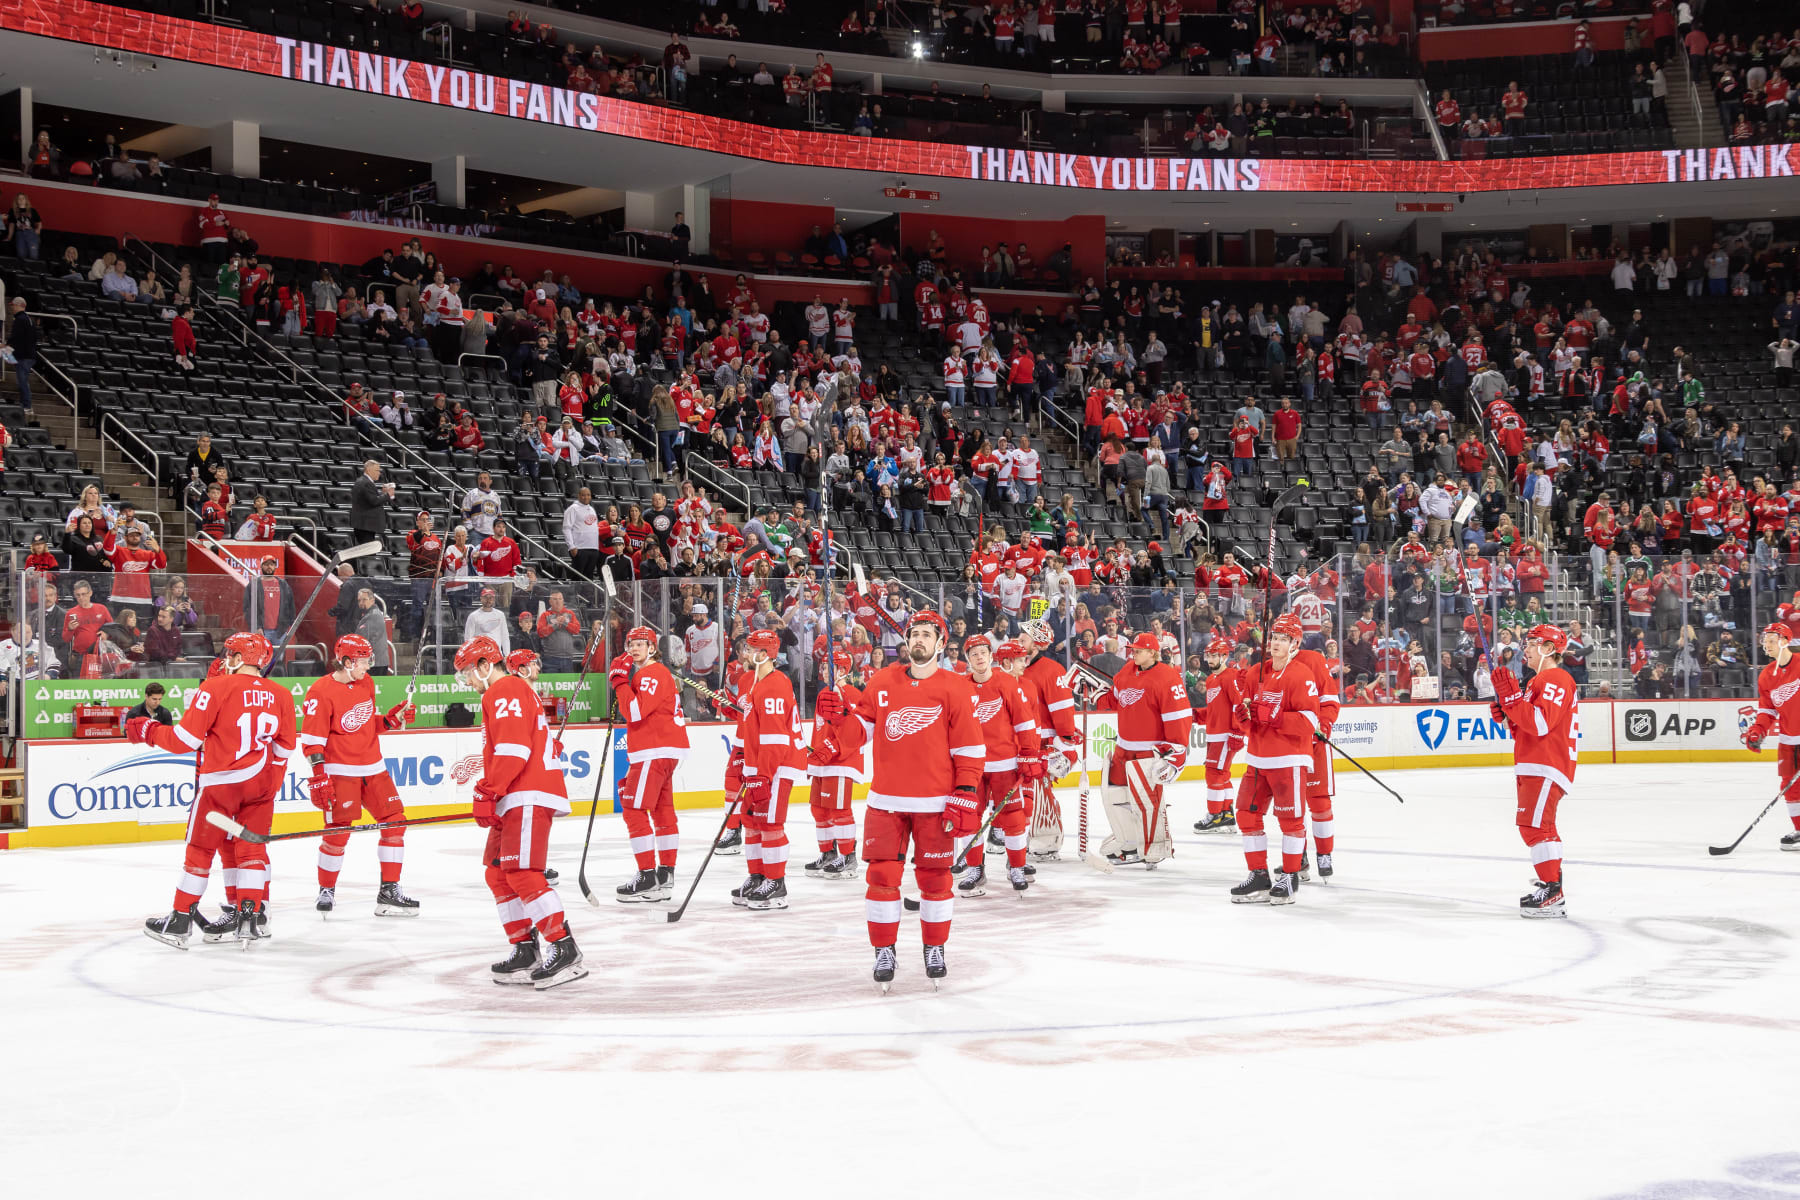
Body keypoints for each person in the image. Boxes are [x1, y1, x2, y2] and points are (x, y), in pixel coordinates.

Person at [824, 610, 983, 989]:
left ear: (941, 644)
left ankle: (934, 947)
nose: (919, 641)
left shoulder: (956, 687)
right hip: (886, 800)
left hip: (935, 801)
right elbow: (857, 733)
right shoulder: (882, 681)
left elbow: (970, 747)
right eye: (914, 634)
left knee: (935, 879)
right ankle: (884, 949)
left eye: (927, 635)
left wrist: (965, 791)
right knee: (881, 877)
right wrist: (836, 718)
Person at [136, 633, 296, 948]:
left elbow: (185, 740)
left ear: (237, 658)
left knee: (200, 851)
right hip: (260, 784)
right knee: (251, 851)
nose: (225, 660)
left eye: (228, 655)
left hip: (221, 784)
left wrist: (148, 730)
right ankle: (250, 916)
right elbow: (284, 749)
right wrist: (269, 789)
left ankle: (180, 921)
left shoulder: (215, 687)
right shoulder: (281, 694)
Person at [455, 635, 586, 988]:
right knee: (498, 874)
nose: (467, 681)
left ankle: (563, 946)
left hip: (527, 791)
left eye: (468, 672)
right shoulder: (505, 692)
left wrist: (488, 789)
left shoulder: (504, 689)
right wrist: (495, 794)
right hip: (513, 793)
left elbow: (513, 749)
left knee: (523, 872)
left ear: (485, 665)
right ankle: (525, 949)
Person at [300, 634, 418, 917]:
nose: (368, 666)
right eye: (364, 661)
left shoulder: (366, 682)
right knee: (337, 834)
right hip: (340, 771)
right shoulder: (320, 691)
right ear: (346, 661)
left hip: (373, 768)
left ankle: (389, 891)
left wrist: (390, 720)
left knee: (395, 822)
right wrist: (319, 776)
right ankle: (326, 889)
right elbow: (313, 739)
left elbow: (364, 724)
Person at [1228, 613, 1321, 906]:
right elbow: (1249, 718)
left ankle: (1290, 876)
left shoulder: (1301, 674)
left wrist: (1276, 717)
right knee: (1245, 813)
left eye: (1283, 639)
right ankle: (1258, 875)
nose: (1276, 643)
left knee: (1290, 820)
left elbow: (1310, 721)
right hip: (1257, 758)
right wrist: (1243, 718)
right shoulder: (1257, 672)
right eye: (1274, 638)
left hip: (1288, 759)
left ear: (1295, 643)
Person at [1489, 624, 1578, 918]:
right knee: (1540, 827)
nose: (1525, 649)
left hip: (1546, 763)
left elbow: (1541, 724)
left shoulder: (1556, 677)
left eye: (1532, 643)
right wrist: (1509, 715)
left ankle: (1552, 892)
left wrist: (1513, 701)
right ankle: (1552, 888)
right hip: (1537, 762)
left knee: (1535, 827)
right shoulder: (1538, 681)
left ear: (1549, 649)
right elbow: (1526, 730)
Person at [1086, 632, 1192, 867]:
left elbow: (1180, 718)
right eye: (1133, 649)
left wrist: (1176, 755)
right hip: (1123, 750)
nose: (1133, 653)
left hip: (1148, 753)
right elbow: (1115, 698)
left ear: (1152, 653)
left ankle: (1154, 847)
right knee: (1115, 798)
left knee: (1147, 802)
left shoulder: (1168, 677)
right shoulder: (1126, 671)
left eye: (1138, 650)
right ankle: (1130, 842)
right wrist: (1097, 695)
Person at [722, 628, 808, 910]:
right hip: (759, 766)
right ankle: (758, 875)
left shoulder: (774, 684)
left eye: (750, 648)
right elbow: (754, 727)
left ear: (763, 654)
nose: (745, 652)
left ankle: (776, 882)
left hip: (778, 766)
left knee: (770, 823)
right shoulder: (757, 682)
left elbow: (775, 738)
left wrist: (763, 775)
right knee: (752, 821)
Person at [606, 625, 689, 902]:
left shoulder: (651, 673)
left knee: (632, 809)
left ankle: (647, 876)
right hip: (666, 749)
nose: (633, 648)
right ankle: (665, 875)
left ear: (652, 648)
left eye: (640, 644)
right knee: (663, 812)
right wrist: (626, 682)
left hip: (653, 749)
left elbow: (634, 712)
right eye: (630, 643)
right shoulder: (649, 674)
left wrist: (619, 683)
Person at [956, 637, 1042, 895]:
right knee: (967, 819)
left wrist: (1028, 753)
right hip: (971, 767)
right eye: (974, 654)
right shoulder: (959, 687)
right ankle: (975, 868)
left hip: (1005, 764)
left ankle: (1017, 866)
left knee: (1014, 819)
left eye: (983, 652)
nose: (979, 658)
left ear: (990, 655)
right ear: (968, 659)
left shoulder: (1006, 683)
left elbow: (1024, 722)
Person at [1019, 619, 1082, 859]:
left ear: (1036, 644)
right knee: (1026, 794)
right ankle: (1030, 835)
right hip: (1022, 744)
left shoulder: (1052, 670)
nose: (1019, 640)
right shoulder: (1017, 668)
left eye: (1024, 638)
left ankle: (1046, 840)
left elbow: (1064, 713)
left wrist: (1066, 746)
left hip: (1044, 745)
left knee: (1040, 791)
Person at [805, 649, 866, 879]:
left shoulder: (850, 693)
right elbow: (821, 729)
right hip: (822, 761)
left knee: (839, 810)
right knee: (819, 810)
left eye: (826, 666)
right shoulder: (825, 692)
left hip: (840, 761)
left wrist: (830, 749)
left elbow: (855, 731)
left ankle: (848, 857)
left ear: (842, 669)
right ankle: (828, 853)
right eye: (820, 666)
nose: (821, 670)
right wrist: (811, 751)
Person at [1743, 622, 1800, 851]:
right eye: (1764, 641)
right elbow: (1767, 710)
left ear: (1785, 640)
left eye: (1771, 640)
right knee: (1789, 786)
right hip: (1788, 740)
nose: (1766, 645)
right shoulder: (1766, 676)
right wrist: (1757, 730)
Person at [1194, 636, 1245, 832]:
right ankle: (1227, 815)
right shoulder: (1211, 678)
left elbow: (1238, 706)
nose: (1209, 659)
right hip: (1214, 734)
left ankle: (1215, 816)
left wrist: (1237, 732)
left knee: (1214, 774)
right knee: (1222, 775)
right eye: (1208, 655)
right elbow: (1215, 709)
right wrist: (1197, 715)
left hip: (1225, 735)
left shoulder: (1231, 676)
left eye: (1214, 655)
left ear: (1224, 656)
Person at [347, 459, 392, 549]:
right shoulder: (366, 483)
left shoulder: (363, 481)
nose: (379, 473)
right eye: (377, 470)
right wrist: (388, 495)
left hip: (364, 525)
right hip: (365, 526)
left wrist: (384, 495)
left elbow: (370, 500)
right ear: (368, 470)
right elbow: (374, 501)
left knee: (367, 551)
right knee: (368, 553)